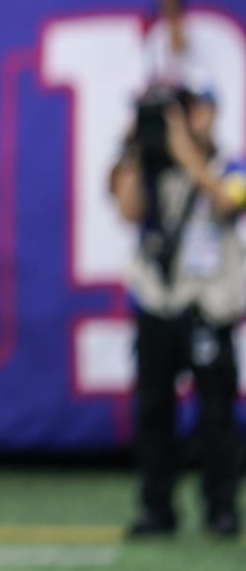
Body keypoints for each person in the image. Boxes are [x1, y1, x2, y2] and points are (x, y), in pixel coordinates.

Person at [108, 81, 244, 539]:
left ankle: (221, 508)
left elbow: (228, 201)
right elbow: (128, 212)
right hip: (156, 301)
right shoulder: (150, 167)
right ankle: (156, 507)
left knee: (215, 413)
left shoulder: (231, 163)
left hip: (207, 304)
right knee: (152, 411)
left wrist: (186, 152)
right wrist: (133, 149)